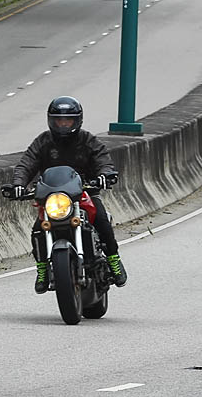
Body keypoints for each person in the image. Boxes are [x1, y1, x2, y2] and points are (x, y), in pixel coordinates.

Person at [12, 96, 127, 292]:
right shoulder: (43, 141)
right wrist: (18, 184)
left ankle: (114, 259)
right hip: (52, 197)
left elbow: (103, 160)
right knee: (38, 229)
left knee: (101, 219)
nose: (63, 125)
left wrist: (105, 175)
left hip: (84, 193)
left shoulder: (88, 140)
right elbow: (26, 164)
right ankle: (42, 269)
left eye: (68, 120)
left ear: (77, 120)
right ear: (51, 121)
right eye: (59, 120)